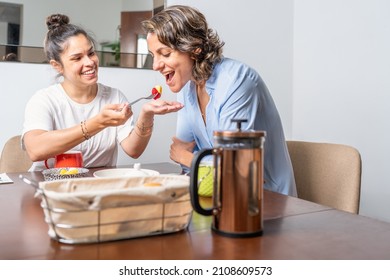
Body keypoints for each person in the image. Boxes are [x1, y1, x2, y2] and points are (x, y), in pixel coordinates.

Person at [142, 5, 297, 196]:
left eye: (165, 54)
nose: (156, 65)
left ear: (194, 49)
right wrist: (191, 159)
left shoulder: (237, 81)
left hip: (265, 199)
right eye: (152, 56)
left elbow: (237, 171)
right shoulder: (187, 88)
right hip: (217, 194)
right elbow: (191, 161)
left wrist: (186, 157)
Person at [22, 14, 183, 171]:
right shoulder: (44, 100)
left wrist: (146, 114)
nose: (89, 62)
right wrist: (99, 123)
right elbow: (35, 150)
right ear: (57, 65)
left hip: (97, 187)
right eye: (77, 58)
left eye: (91, 53)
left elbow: (133, 150)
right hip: (46, 187)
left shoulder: (114, 96)